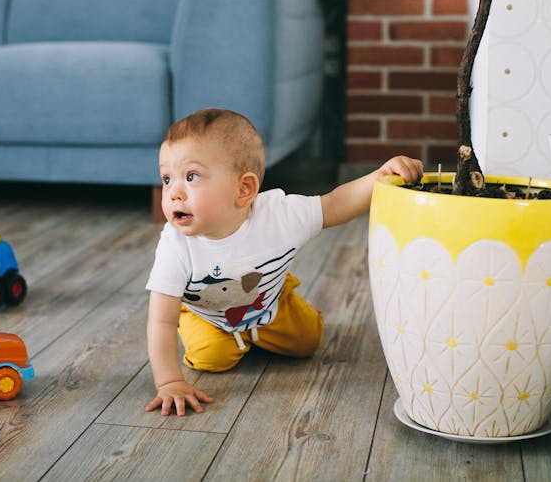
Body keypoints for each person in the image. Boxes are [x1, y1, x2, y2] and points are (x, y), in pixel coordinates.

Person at [145, 108, 423, 416]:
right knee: (212, 357)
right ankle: (223, 332)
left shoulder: (279, 216)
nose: (173, 194)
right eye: (167, 179)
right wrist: (169, 381)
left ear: (244, 189)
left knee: (309, 340)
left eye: (191, 177)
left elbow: (335, 204)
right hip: (207, 312)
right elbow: (161, 320)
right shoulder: (176, 245)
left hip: (267, 301)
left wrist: (379, 177)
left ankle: (284, 294)